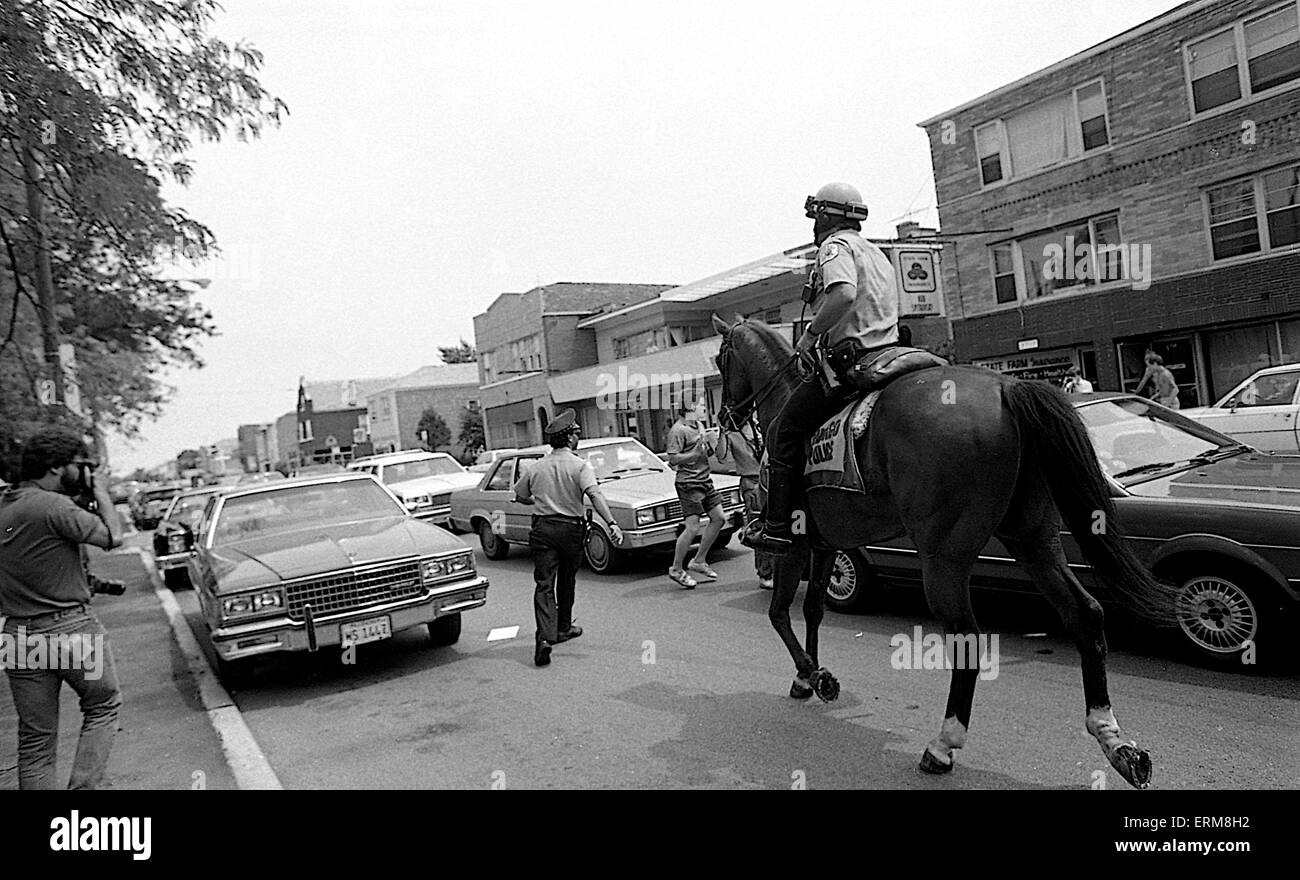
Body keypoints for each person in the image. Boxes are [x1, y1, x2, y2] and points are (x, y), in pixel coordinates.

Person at [743, 182, 899, 555]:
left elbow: (843, 293)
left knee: (783, 431)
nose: (813, 224)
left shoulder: (835, 247)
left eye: (815, 216)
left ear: (827, 215)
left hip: (853, 361)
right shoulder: (876, 253)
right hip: (891, 354)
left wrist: (811, 335)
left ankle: (778, 527)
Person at [0, 426, 124, 789]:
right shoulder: (54, 506)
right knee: (102, 705)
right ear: (56, 468)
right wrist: (100, 492)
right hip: (71, 629)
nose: (81, 472)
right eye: (77, 465)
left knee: (36, 739)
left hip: (20, 636)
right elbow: (112, 537)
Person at [513, 409, 622, 667]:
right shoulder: (579, 465)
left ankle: (543, 638)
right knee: (567, 579)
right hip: (570, 529)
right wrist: (612, 523)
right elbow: (594, 496)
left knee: (544, 584)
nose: (579, 436)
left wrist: (538, 501)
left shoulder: (536, 466)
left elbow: (519, 495)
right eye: (576, 432)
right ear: (570, 438)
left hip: (543, 528)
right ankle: (563, 627)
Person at [665, 398, 725, 589]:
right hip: (688, 483)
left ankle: (698, 560)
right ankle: (676, 568)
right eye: (701, 406)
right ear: (690, 408)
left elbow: (705, 454)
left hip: (704, 480)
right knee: (692, 527)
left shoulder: (698, 426)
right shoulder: (678, 430)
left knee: (719, 518)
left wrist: (710, 445)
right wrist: (694, 454)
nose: (705, 409)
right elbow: (673, 459)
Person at [716, 422, 773, 589]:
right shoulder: (732, 433)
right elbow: (721, 457)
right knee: (759, 526)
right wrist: (722, 432)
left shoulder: (760, 423)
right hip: (752, 481)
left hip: (771, 477)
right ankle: (765, 572)